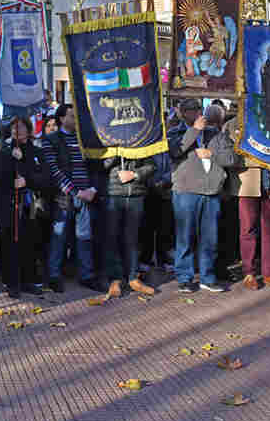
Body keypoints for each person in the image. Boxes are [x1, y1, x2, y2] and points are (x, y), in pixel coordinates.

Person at [169, 99, 234, 293]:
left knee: (210, 238)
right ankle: (184, 277)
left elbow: (231, 158)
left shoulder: (216, 134)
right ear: (182, 112)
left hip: (211, 191)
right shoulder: (176, 132)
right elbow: (175, 150)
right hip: (186, 191)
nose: (195, 113)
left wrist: (211, 154)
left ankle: (208, 276)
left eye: (198, 109)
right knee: (185, 237)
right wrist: (194, 130)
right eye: (190, 110)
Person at [219, 118, 270, 291]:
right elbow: (230, 155)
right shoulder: (233, 124)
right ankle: (249, 272)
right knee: (248, 229)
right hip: (248, 181)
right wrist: (260, 157)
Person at [41, 104, 104, 293]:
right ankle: (54, 276)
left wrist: (92, 189)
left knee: (84, 237)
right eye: (71, 115)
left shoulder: (85, 140)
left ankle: (87, 275)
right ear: (61, 118)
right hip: (65, 197)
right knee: (58, 237)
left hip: (86, 195)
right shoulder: (51, 140)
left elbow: (96, 166)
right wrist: (75, 191)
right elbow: (54, 170)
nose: (76, 119)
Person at [0, 115, 47, 298]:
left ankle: (28, 280)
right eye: (15, 128)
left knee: (29, 243)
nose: (18, 131)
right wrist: (12, 160)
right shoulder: (5, 151)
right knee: (11, 243)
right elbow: (0, 177)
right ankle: (12, 282)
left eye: (22, 127)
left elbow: (43, 176)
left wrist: (28, 179)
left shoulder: (36, 151)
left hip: (30, 204)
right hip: (10, 204)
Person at [101, 152, 156, 297]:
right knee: (112, 238)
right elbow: (101, 165)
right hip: (113, 193)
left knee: (133, 238)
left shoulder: (140, 138)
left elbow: (152, 166)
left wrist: (135, 174)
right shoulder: (107, 137)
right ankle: (115, 279)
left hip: (136, 194)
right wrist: (115, 153)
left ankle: (133, 277)